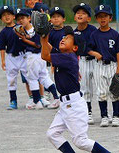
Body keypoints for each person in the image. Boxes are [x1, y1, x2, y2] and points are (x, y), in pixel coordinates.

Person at [42, 25, 110, 153]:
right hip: (65, 105)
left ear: (75, 48)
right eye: (64, 36)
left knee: (81, 141)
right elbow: (50, 50)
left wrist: (44, 37)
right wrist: (43, 37)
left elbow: (45, 55)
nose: (63, 39)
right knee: (52, 134)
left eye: (68, 38)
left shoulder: (68, 58)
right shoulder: (65, 56)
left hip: (74, 106)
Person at [14, 8, 60, 109]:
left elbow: (38, 45)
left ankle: (36, 102)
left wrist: (24, 39)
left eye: (23, 18)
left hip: (34, 56)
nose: (21, 21)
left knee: (32, 79)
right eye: (18, 19)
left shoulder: (35, 29)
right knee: (44, 77)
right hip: (40, 58)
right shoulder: (26, 30)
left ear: (29, 18)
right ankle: (56, 98)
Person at [88, 5, 119, 127]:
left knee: (115, 92)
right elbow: (88, 49)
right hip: (99, 66)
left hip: (112, 65)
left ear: (110, 18)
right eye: (99, 16)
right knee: (101, 92)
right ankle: (104, 116)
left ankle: (116, 116)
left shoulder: (114, 34)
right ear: (96, 19)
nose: (102, 19)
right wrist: (95, 53)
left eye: (105, 16)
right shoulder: (94, 34)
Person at [0, 6, 27, 110]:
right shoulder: (3, 32)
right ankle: (13, 100)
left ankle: (35, 98)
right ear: (1, 19)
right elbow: (2, 48)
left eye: (9, 14)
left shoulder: (20, 28)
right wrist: (3, 61)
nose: (6, 17)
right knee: (11, 79)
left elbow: (27, 41)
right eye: (4, 15)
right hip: (11, 57)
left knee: (30, 77)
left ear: (14, 16)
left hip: (23, 56)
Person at [73, 3, 97, 125]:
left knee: (101, 87)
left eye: (83, 13)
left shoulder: (93, 31)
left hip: (96, 61)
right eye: (78, 13)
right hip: (82, 61)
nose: (80, 15)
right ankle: (88, 112)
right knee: (85, 88)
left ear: (89, 18)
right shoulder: (73, 33)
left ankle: (106, 113)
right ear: (74, 17)